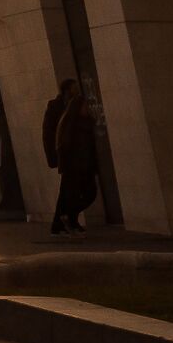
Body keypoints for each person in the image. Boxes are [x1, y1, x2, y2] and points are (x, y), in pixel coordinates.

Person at [54, 87, 100, 236]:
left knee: (71, 196)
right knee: (79, 194)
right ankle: (67, 221)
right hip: (75, 166)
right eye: (85, 106)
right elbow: (66, 146)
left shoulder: (82, 123)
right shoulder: (73, 125)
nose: (88, 108)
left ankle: (64, 221)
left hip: (82, 166)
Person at [43, 78, 73, 235]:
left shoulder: (72, 106)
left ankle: (63, 220)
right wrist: (53, 157)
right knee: (70, 189)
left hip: (70, 155)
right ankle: (64, 219)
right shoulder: (56, 107)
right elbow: (49, 134)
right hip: (66, 155)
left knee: (69, 189)